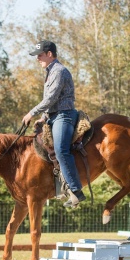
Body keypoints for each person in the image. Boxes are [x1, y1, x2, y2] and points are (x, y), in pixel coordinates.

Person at [21, 40, 86, 208]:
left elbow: (50, 99)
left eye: (40, 55)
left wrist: (31, 113)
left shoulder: (59, 71)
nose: (38, 59)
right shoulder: (50, 72)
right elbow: (50, 101)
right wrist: (43, 117)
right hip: (52, 116)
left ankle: (76, 191)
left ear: (50, 54)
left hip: (64, 116)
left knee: (60, 150)